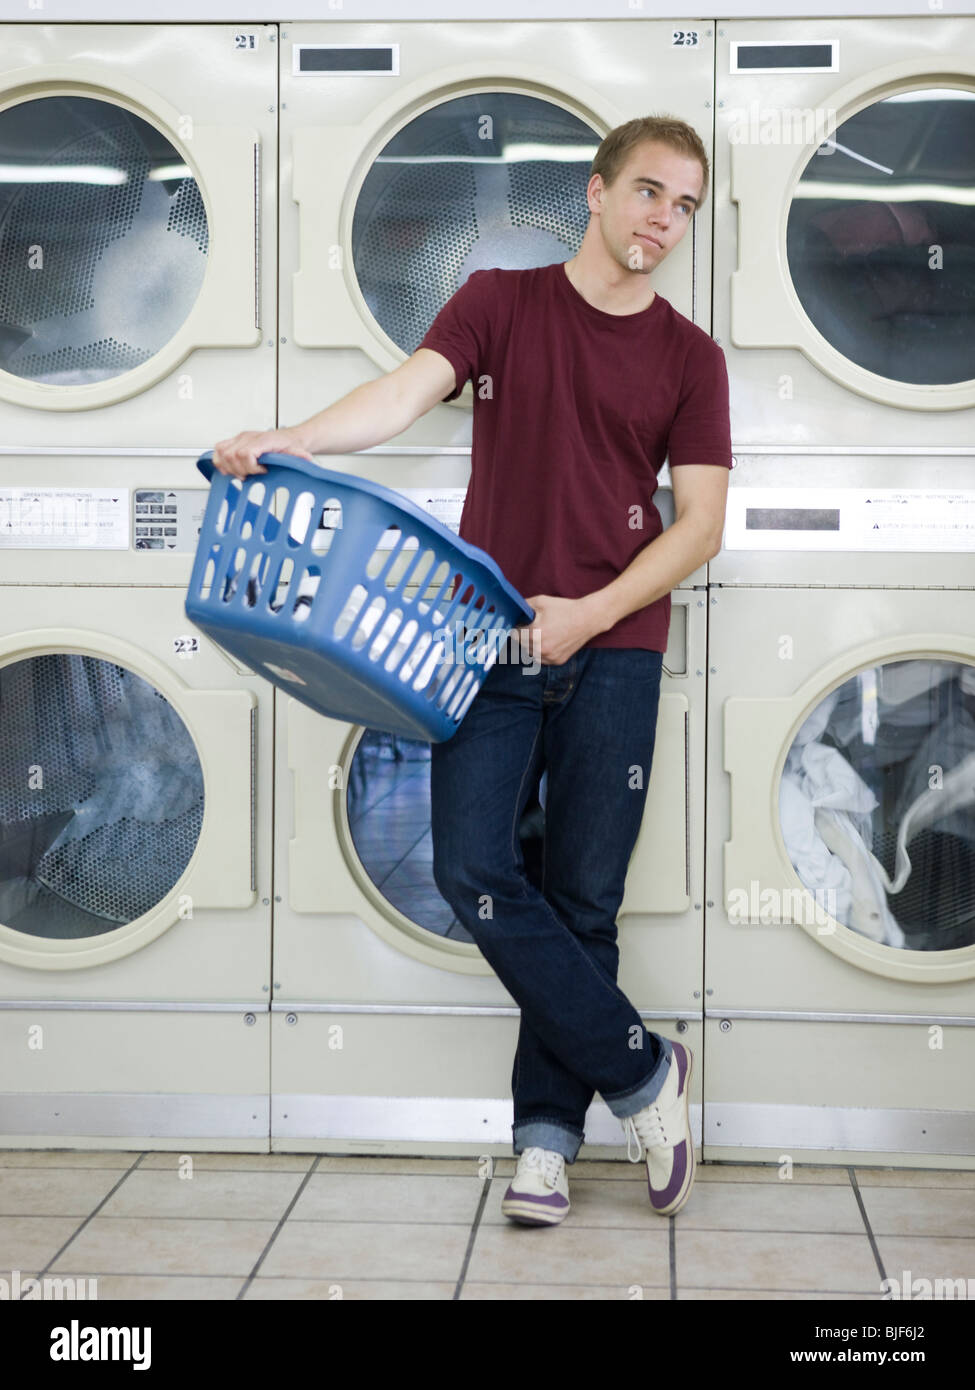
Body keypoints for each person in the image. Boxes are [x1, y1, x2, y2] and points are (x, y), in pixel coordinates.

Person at [212, 114, 732, 1227]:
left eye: (685, 205)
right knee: (476, 872)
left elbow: (701, 529)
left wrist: (588, 613)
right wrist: (292, 439)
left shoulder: (693, 358)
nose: (664, 220)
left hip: (618, 645)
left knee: (585, 898)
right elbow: (407, 392)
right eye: (649, 192)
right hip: (486, 634)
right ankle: (646, 1072)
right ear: (594, 193)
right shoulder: (502, 299)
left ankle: (543, 1143)